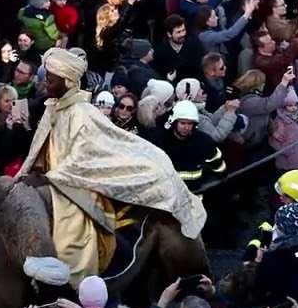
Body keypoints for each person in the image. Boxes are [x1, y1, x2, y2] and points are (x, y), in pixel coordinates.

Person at [16, 48, 206, 284]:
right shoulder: (53, 107)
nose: (45, 83)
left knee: (71, 234)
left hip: (73, 183)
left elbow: (80, 161)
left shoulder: (81, 114)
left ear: (67, 81)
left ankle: (74, 282)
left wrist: (50, 176)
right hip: (53, 176)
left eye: (51, 79)